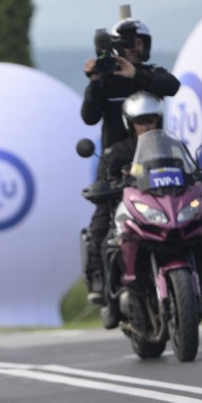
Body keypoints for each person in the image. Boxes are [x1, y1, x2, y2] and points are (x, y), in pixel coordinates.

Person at [94, 91, 202, 330]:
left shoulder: (172, 146)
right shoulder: (117, 152)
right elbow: (103, 179)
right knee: (108, 243)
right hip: (137, 207)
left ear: (159, 120)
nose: (145, 125)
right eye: (140, 121)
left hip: (169, 204)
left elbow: (189, 171)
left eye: (150, 120)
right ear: (130, 124)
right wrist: (105, 187)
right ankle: (110, 302)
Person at [80, 15, 181, 303]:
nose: (137, 48)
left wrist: (135, 73)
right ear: (118, 47)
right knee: (103, 215)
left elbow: (172, 86)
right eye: (131, 44)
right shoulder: (106, 80)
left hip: (156, 157)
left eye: (141, 43)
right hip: (116, 161)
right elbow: (89, 116)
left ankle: (200, 280)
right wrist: (95, 81)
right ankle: (98, 278)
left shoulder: (148, 75)